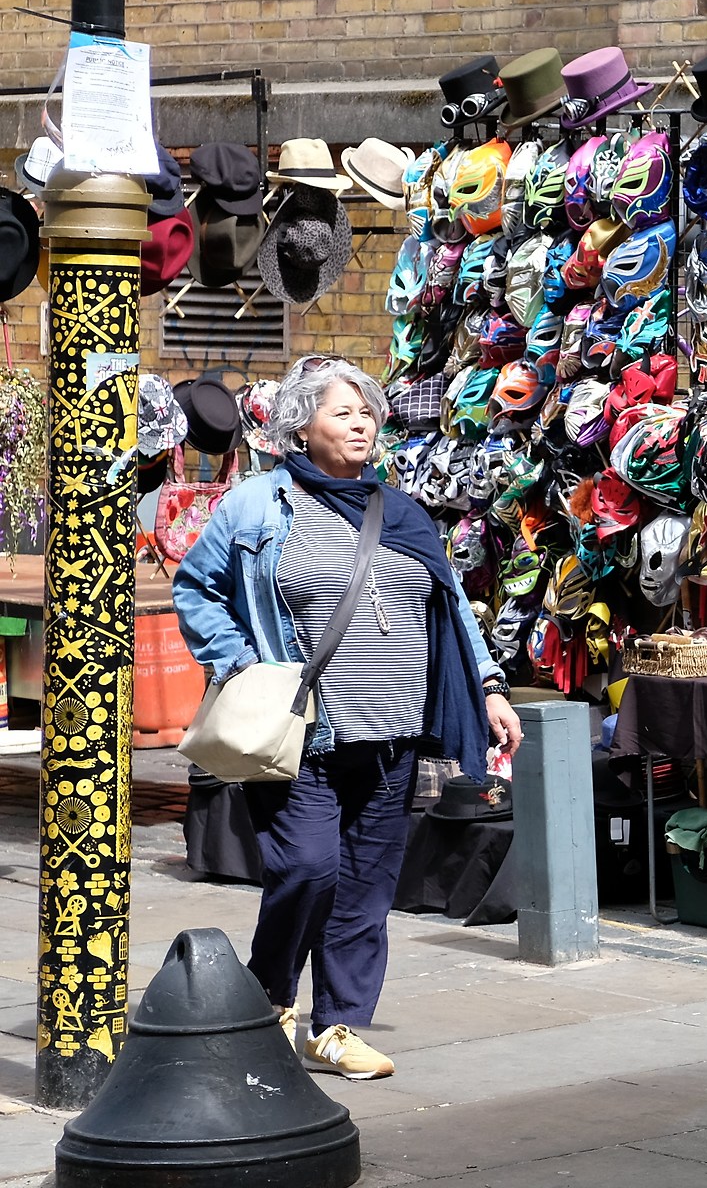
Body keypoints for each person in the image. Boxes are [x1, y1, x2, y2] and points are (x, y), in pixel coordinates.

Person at [174, 356, 522, 1081]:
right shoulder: (257, 504)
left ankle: (336, 1027)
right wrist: (238, 664)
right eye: (343, 412)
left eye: (367, 411)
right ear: (300, 426)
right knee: (307, 867)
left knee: (367, 882)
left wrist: (488, 685)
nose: (361, 423)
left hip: (395, 729)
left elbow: (451, 606)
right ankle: (266, 1000)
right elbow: (197, 587)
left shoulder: (400, 511)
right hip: (303, 729)